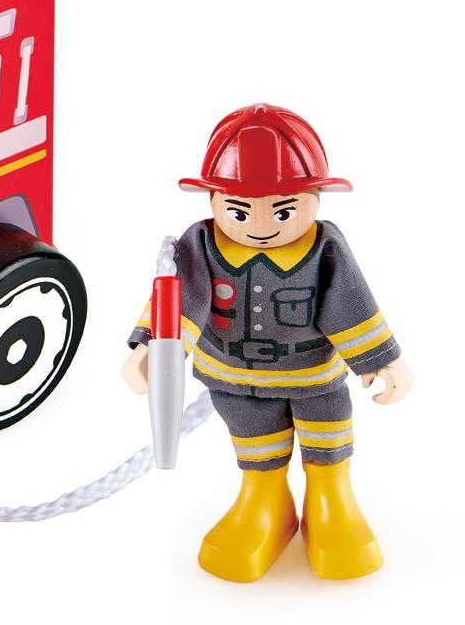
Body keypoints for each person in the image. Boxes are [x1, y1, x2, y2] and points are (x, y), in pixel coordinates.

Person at [122, 103, 412, 581]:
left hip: (313, 379)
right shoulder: (201, 245)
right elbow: (183, 298)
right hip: (235, 381)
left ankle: (331, 499)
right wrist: (153, 347)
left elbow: (349, 302)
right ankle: (265, 500)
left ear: (315, 197)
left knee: (327, 442)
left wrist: (381, 359)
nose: (260, 226)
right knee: (256, 447)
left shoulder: (323, 247)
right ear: (213, 199)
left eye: (283, 209)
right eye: (239, 210)